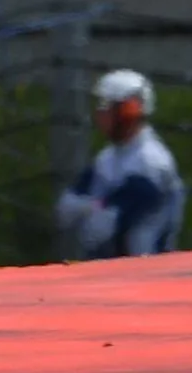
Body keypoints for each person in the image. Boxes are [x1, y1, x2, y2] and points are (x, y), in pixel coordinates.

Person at [58, 68, 183, 260]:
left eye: (107, 107)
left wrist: (90, 207)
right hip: (112, 269)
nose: (100, 114)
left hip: (146, 270)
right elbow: (65, 209)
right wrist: (97, 206)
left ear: (129, 111)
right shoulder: (107, 158)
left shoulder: (151, 163)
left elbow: (102, 228)